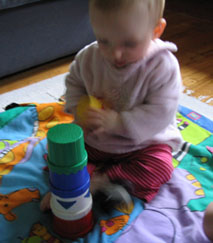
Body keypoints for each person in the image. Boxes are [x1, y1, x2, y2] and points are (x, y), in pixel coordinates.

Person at [41, 0, 183, 211]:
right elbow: (74, 83)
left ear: (156, 30)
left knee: (161, 167)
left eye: (129, 44)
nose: (115, 54)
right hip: (96, 139)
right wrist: (79, 106)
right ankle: (73, 186)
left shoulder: (163, 66)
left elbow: (161, 112)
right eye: (104, 41)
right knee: (62, 152)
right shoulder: (88, 57)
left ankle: (102, 181)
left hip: (142, 144)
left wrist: (118, 122)